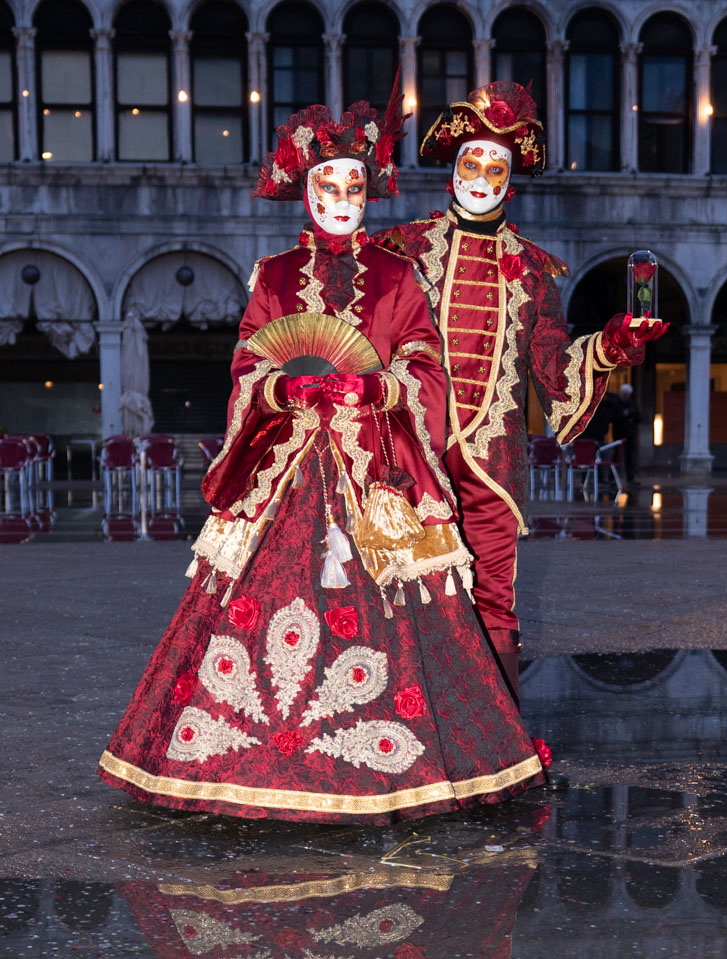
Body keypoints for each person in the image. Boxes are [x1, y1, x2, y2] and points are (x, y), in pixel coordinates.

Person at [97, 93, 548, 825]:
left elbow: (425, 369)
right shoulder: (272, 277)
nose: (342, 200)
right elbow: (246, 368)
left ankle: (397, 759)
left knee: (403, 613)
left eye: (354, 188)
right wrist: (284, 386)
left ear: (370, 195)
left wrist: (374, 385)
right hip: (288, 470)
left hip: (372, 470)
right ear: (304, 191)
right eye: (328, 186)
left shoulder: (399, 276)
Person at [374, 82, 667, 699]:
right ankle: (411, 737)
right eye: (472, 162)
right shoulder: (402, 250)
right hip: (411, 452)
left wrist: (612, 345)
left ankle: (498, 740)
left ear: (512, 177)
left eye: (496, 166)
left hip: (493, 459)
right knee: (405, 592)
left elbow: (553, 365)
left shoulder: (534, 269)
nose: (481, 176)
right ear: (454, 167)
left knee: (494, 600)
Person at [612, 383, 642, 485]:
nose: (625, 396)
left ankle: (630, 478)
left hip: (630, 434)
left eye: (626, 394)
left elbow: (639, 417)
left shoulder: (633, 404)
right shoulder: (616, 404)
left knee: (630, 457)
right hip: (619, 434)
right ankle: (613, 478)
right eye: (623, 394)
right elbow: (612, 418)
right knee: (616, 456)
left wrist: (632, 415)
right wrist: (623, 415)